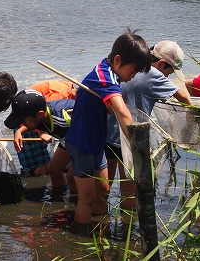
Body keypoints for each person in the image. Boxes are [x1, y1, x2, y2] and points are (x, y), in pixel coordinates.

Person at [64, 29, 151, 234]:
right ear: (118, 60)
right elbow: (122, 112)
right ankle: (81, 239)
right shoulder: (104, 77)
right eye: (133, 71)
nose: (132, 77)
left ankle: (97, 232)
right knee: (87, 199)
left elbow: (113, 105)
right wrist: (138, 149)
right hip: (81, 143)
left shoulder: (110, 73)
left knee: (103, 190)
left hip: (96, 142)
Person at [105, 40, 192, 211]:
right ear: (160, 63)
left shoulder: (130, 66)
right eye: (170, 71)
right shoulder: (153, 73)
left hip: (107, 134)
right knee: (129, 190)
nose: (168, 77)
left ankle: (100, 224)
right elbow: (185, 98)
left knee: (104, 187)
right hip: (129, 137)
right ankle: (126, 229)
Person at [4, 89, 76, 191]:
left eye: (23, 120)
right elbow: (30, 125)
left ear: (40, 114)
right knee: (54, 168)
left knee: (72, 177)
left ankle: (76, 202)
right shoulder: (40, 117)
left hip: (82, 139)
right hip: (68, 139)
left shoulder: (63, 119)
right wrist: (19, 132)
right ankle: (58, 198)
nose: (22, 123)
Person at [14, 80, 77, 177]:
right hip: (28, 119)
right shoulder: (60, 99)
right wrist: (41, 133)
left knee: (59, 169)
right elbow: (41, 116)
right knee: (40, 168)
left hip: (29, 117)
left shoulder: (67, 100)